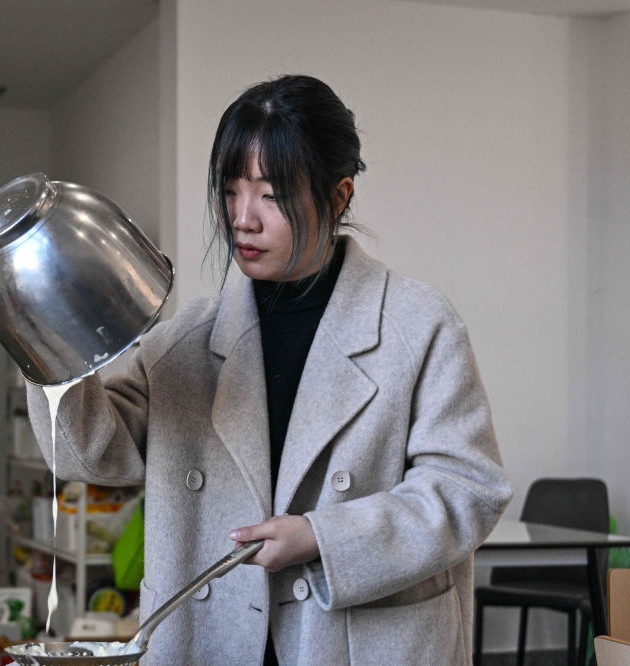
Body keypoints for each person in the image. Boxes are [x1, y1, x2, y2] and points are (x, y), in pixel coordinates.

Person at [26, 75, 512, 665]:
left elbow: (469, 488)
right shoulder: (187, 339)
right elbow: (87, 454)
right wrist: (48, 332)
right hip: (215, 639)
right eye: (231, 191)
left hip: (360, 640)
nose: (243, 218)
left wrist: (324, 539)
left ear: (339, 197)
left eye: (272, 194)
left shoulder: (418, 325)